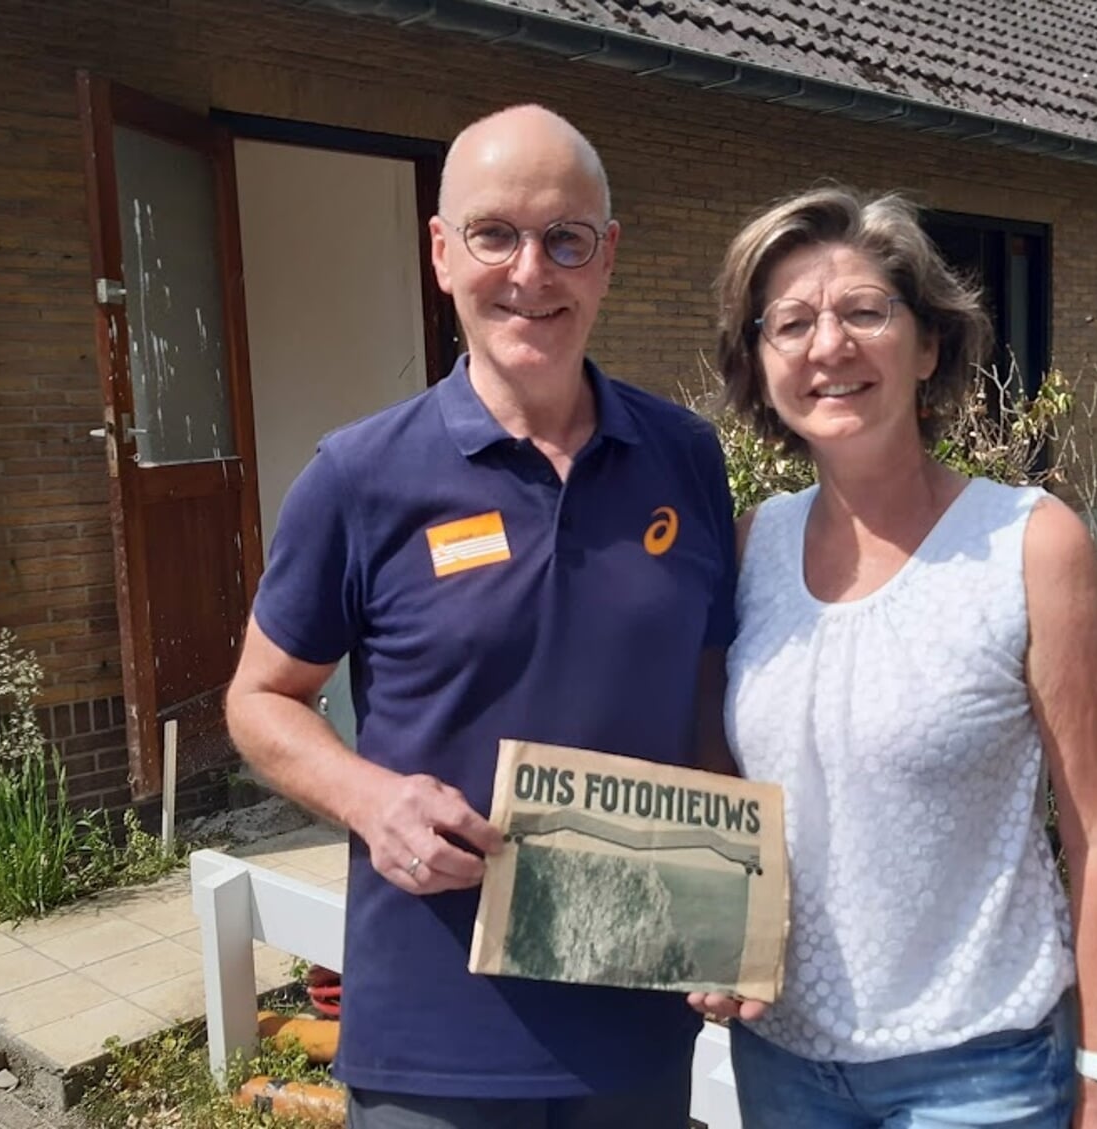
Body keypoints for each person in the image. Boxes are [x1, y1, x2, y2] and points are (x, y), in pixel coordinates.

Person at [225, 104, 738, 1129]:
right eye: (494, 234)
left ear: (607, 258)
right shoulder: (360, 476)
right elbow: (259, 699)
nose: (530, 274)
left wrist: (730, 915)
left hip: (635, 1004)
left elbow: (706, 711)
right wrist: (372, 800)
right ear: (442, 252)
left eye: (566, 240)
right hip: (434, 1028)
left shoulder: (684, 457)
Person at [691, 187, 1097, 1129]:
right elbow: (723, 782)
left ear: (929, 344)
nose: (830, 346)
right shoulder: (748, 548)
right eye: (792, 322)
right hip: (782, 1060)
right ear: (761, 362)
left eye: (866, 311)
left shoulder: (1030, 545)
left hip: (975, 1071)